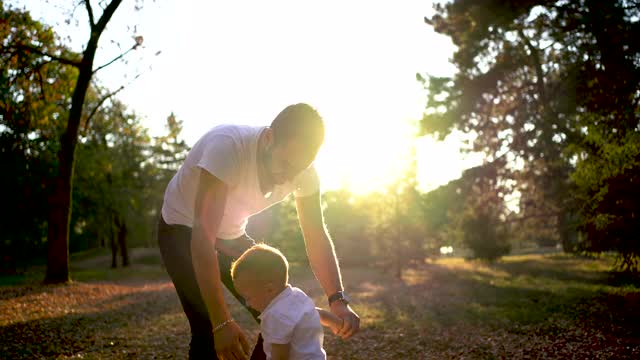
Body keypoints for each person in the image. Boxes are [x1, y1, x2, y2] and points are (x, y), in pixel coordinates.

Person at [157, 103, 360, 360]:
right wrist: (222, 322)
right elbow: (203, 237)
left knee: (281, 309)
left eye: (298, 169)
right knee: (208, 330)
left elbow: (316, 235)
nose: (289, 178)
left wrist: (338, 300)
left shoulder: (304, 174)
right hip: (182, 229)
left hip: (231, 233)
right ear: (268, 139)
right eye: (285, 163)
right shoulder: (227, 147)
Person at [231, 243, 344, 360]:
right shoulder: (296, 294)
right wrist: (336, 323)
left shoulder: (275, 316)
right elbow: (315, 312)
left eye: (248, 297)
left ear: (270, 289)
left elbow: (280, 356)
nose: (247, 304)